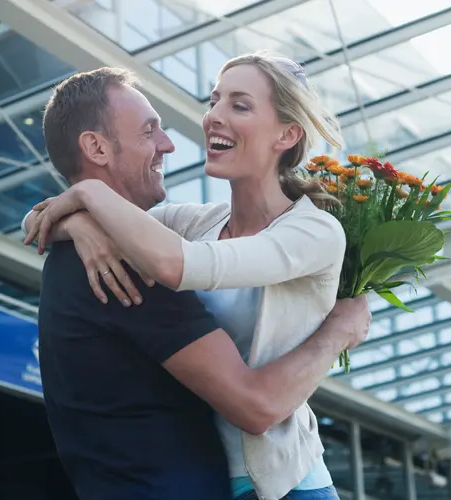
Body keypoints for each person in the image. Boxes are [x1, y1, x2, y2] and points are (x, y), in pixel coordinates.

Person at [28, 63, 371, 500]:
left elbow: (180, 265)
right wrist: (79, 222)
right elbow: (39, 221)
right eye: (214, 100)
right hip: (215, 479)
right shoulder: (193, 223)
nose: (213, 115)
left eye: (239, 104)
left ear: (286, 135)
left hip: (284, 485)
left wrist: (340, 331)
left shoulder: (314, 232)